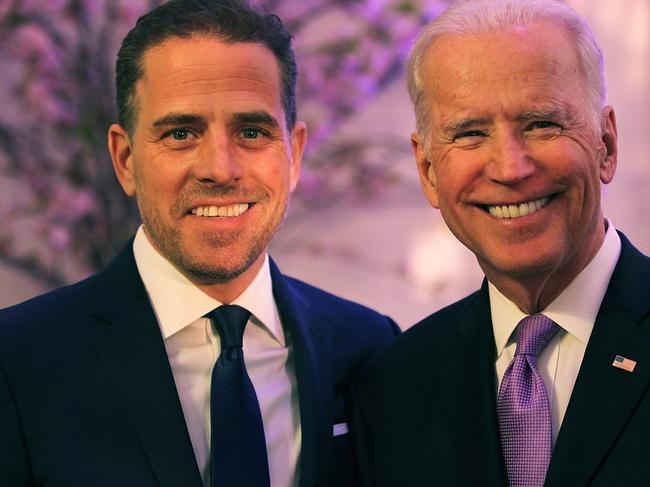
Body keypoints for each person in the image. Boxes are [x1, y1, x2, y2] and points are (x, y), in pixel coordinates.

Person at [0, 1, 399, 486]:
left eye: (252, 132)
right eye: (182, 133)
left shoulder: (370, 348)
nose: (220, 168)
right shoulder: (18, 362)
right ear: (125, 160)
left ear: (293, 156)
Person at [350, 0, 649, 486]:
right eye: (470, 133)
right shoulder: (393, 386)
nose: (510, 168)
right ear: (428, 171)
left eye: (541, 123)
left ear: (606, 145)